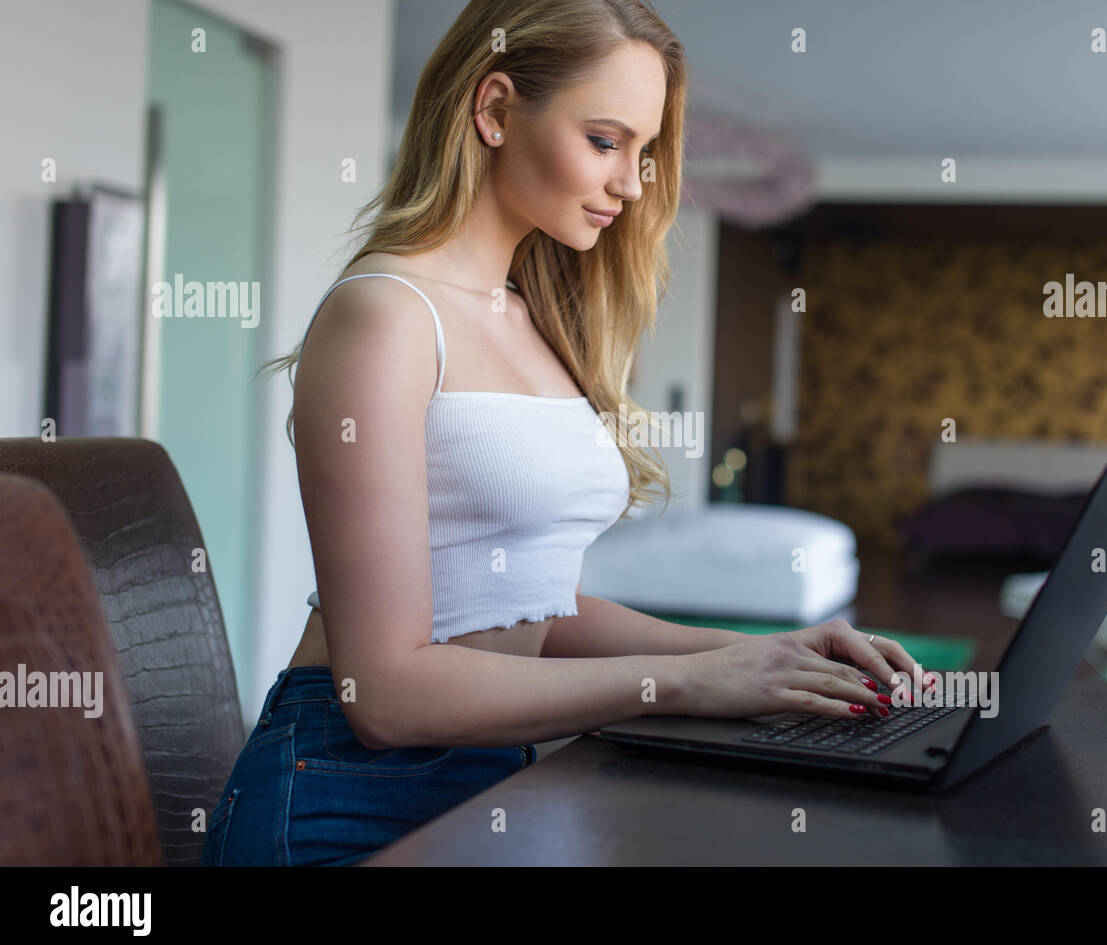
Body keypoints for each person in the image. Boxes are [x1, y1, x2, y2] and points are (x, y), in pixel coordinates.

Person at [202, 0, 935, 867]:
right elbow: (385, 694)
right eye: (606, 141)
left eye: (645, 152)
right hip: (348, 797)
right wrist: (691, 683)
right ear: (496, 110)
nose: (633, 183)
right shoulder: (385, 316)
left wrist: (763, 655)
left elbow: (528, 608)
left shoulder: (530, 318)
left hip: (499, 776)